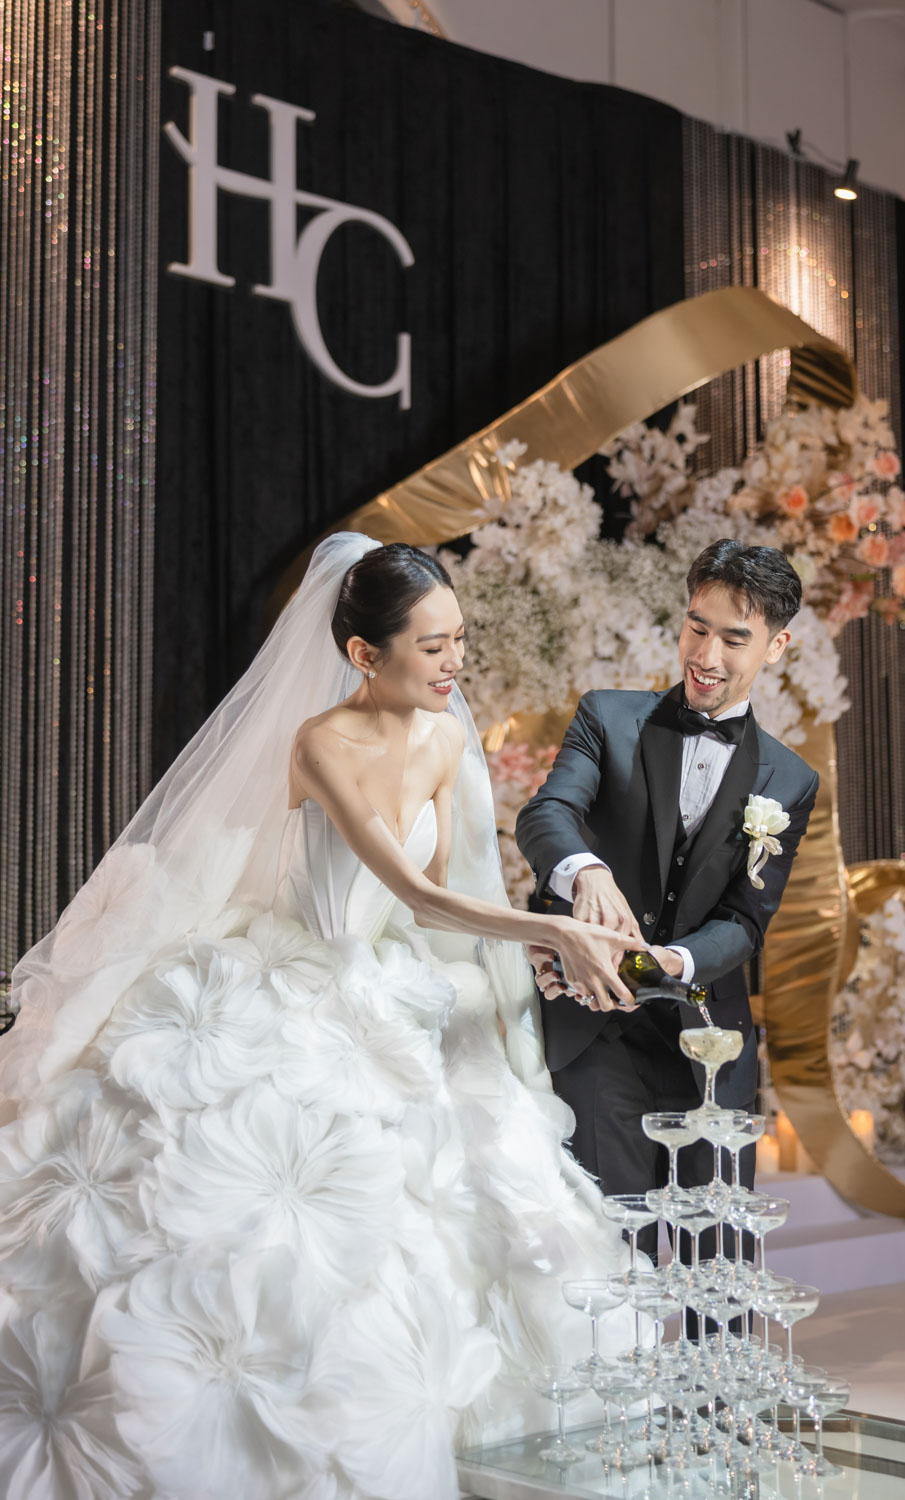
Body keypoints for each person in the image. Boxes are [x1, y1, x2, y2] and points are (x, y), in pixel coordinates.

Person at [0, 534, 637, 1500]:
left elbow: (455, 899)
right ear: (363, 654)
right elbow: (411, 890)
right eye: (432, 646)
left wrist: (525, 970)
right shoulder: (319, 743)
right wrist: (550, 929)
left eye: (460, 640)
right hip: (305, 979)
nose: (455, 663)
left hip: (394, 981)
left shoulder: (447, 739)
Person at [515, 539, 820, 1256]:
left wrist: (671, 963)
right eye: (696, 627)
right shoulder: (607, 717)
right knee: (613, 1249)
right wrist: (586, 873)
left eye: (734, 639)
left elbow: (744, 921)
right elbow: (546, 814)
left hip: (708, 1040)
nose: (706, 655)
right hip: (597, 1030)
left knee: (718, 1265)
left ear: (776, 646)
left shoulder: (790, 780)